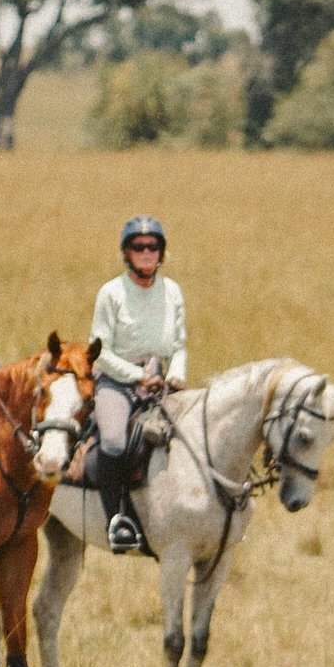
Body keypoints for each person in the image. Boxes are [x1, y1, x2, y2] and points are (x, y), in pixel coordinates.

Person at [89, 216, 187, 553]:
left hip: (160, 377)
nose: (146, 252)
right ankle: (117, 521)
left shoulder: (172, 290)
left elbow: (179, 343)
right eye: (138, 246)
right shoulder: (111, 292)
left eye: (152, 246)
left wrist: (177, 371)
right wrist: (138, 376)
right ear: (127, 253)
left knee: (191, 435)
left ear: (161, 253)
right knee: (115, 441)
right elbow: (100, 352)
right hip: (117, 379)